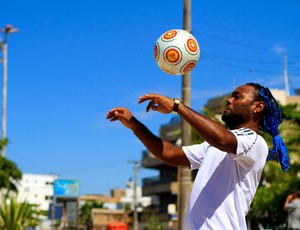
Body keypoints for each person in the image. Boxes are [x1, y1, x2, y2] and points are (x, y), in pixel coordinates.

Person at [106, 83, 289, 229]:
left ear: (257, 106)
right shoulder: (214, 146)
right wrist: (134, 125)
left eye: (236, 96)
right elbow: (170, 154)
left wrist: (177, 106)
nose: (229, 100)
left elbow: (223, 140)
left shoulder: (255, 143)